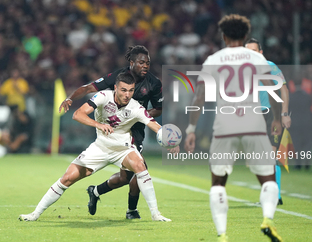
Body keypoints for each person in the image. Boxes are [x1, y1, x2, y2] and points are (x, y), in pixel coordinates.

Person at [19, 72, 171, 222]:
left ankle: (155, 214)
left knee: (140, 165)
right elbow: (78, 114)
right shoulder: (103, 97)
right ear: (115, 88)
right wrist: (98, 124)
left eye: (131, 90)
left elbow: (156, 126)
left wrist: (169, 139)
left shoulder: (136, 108)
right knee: (67, 178)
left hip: (123, 149)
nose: (127, 94)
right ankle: (35, 214)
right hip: (100, 147)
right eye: (124, 90)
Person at [184, 14, 283, 242]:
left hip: (224, 126)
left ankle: (222, 234)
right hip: (254, 124)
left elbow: (199, 97)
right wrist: (277, 118)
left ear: (223, 36)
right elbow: (273, 91)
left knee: (218, 182)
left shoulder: (213, 59)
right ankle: (267, 219)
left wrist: (191, 129)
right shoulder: (257, 58)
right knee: (268, 178)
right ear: (246, 35)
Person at [59, 45, 162, 219]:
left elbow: (158, 108)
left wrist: (139, 117)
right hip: (113, 129)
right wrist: (70, 97)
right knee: (140, 168)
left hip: (135, 129)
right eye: (141, 62)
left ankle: (96, 191)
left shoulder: (154, 83)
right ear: (131, 63)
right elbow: (88, 88)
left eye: (148, 63)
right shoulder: (117, 77)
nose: (145, 66)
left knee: (125, 177)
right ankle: (132, 210)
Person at [245, 38, 291, 205]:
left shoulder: (270, 66)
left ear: (261, 52)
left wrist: (285, 113)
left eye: (254, 51)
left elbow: (283, 89)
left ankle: (274, 197)